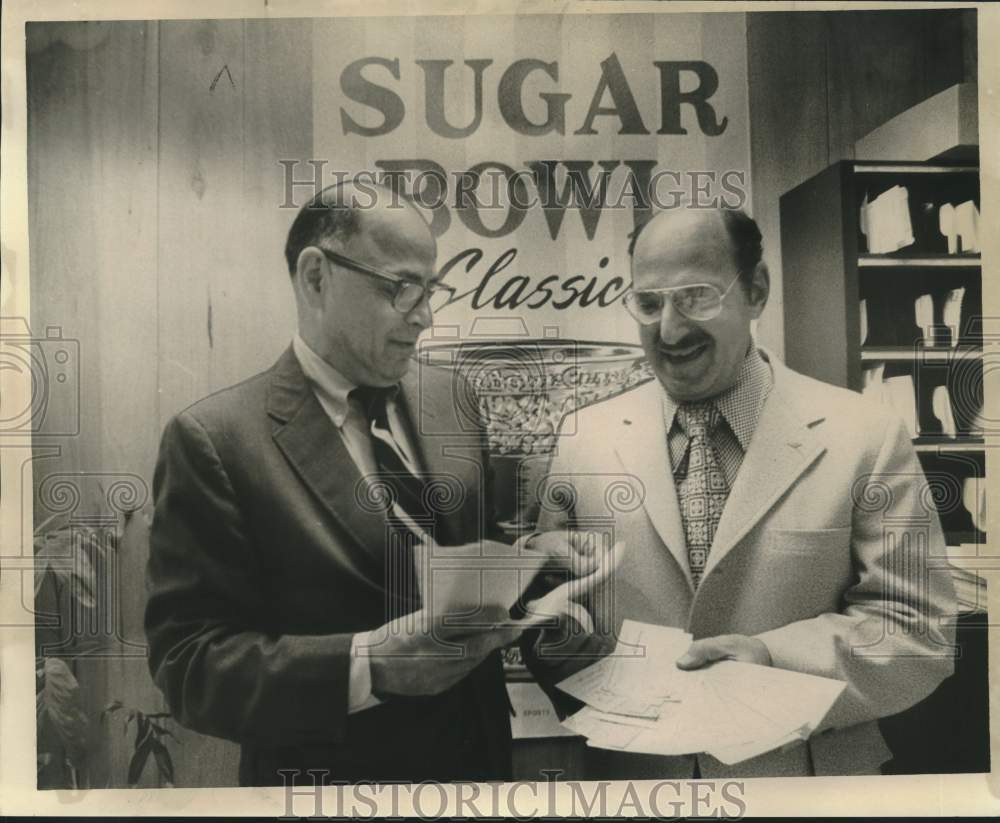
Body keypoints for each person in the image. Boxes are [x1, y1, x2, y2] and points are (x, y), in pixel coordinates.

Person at [522, 206, 957, 779]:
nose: (670, 331)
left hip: (803, 786)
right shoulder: (584, 438)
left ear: (755, 291)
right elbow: (550, 607)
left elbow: (917, 628)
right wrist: (544, 594)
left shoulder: (865, 435)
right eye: (649, 304)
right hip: (638, 782)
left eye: (697, 296)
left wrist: (771, 659)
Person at [144, 183, 526, 785]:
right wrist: (368, 666)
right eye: (401, 288)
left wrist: (545, 565)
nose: (425, 316)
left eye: (431, 290)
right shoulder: (213, 441)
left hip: (481, 776)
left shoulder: (452, 398)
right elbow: (190, 666)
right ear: (316, 277)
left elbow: (478, 566)